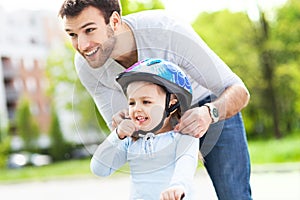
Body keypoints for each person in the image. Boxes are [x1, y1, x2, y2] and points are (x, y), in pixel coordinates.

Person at [59, 1, 252, 199]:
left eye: (89, 30)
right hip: (154, 117)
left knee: (234, 194)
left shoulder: (166, 30)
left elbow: (239, 91)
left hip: (209, 106)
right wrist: (122, 129)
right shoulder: (87, 65)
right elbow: (126, 136)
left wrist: (209, 113)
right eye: (72, 34)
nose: (82, 46)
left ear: (114, 21)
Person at [91, 58, 200, 200]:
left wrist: (177, 186)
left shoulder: (184, 137)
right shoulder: (132, 142)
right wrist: (117, 135)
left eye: (146, 102)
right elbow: (99, 169)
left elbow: (185, 164)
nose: (137, 109)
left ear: (172, 102)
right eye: (132, 103)